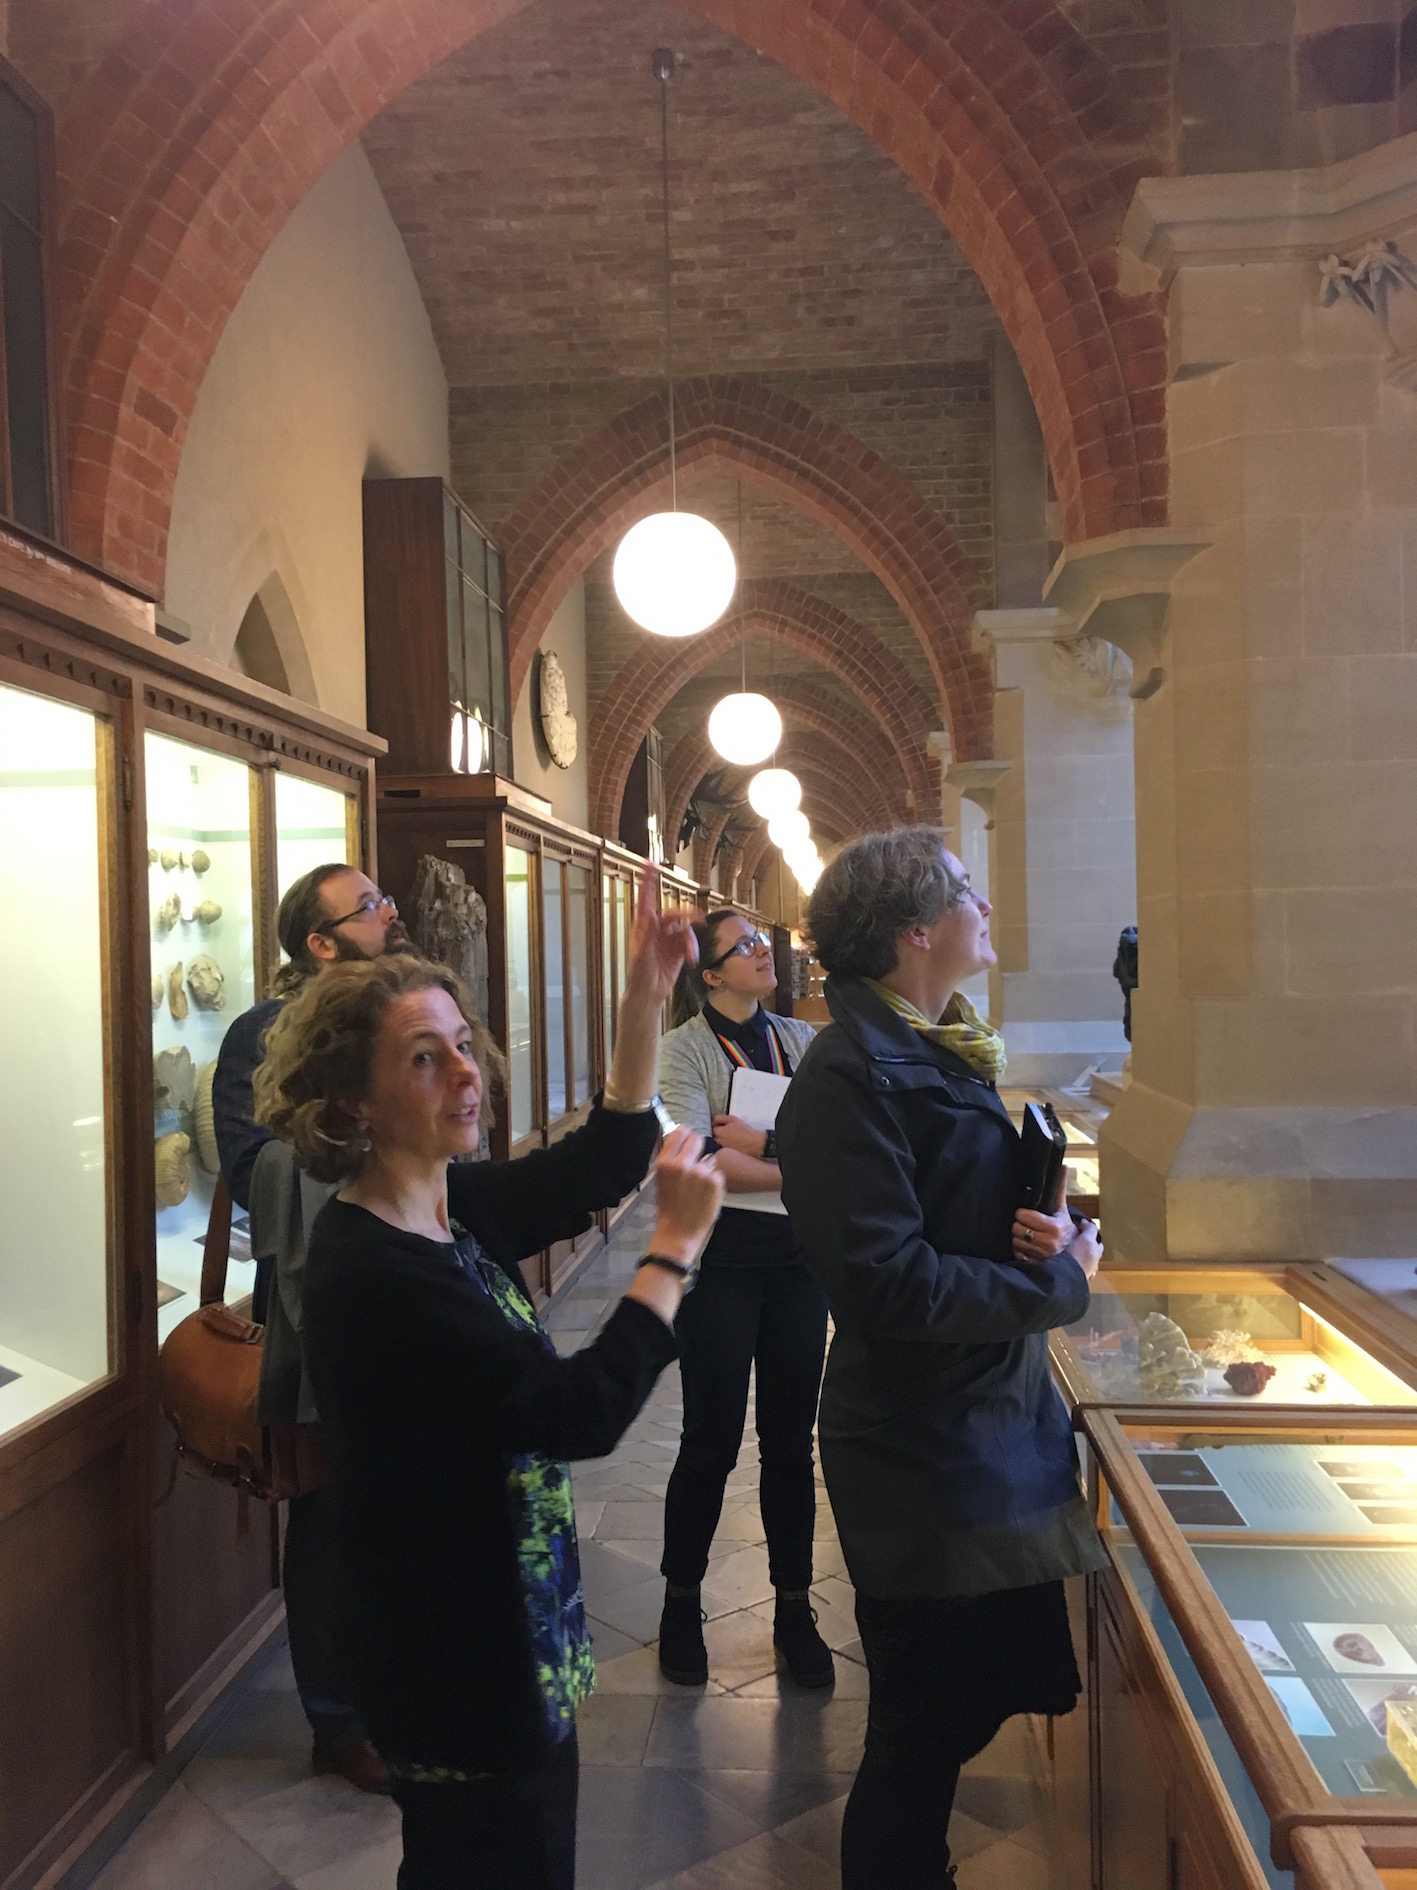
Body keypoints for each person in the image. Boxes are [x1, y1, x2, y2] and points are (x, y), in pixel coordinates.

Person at [254, 882, 725, 1890]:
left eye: (463, 1044)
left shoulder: (444, 1202)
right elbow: (578, 1412)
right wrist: (673, 1249)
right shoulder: (375, 1267)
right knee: (489, 1862)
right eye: (425, 1057)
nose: (466, 1074)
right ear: (351, 1098)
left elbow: (600, 1160)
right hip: (450, 1654)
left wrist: (646, 998)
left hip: (501, 1626)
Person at [775, 828, 1105, 1890]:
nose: (987, 907)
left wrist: (1036, 1227)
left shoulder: (931, 1044)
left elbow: (944, 1221)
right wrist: (1054, 1284)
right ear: (916, 933)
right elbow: (887, 1283)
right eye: (968, 890)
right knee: (918, 1733)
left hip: (975, 1434)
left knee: (948, 1716)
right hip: (926, 1450)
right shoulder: (849, 1072)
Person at [211, 863, 415, 1795]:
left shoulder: (405, 1008)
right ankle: (339, 1721)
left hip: (413, 1290)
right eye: (369, 907)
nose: (391, 912)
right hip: (320, 1302)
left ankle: (401, 1690)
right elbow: (250, 1164)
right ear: (320, 944)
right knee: (330, 1515)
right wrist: (361, 1154)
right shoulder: (262, 1035)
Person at [655, 913, 832, 1688]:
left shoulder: (803, 1041)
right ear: (711, 973)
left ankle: (795, 1608)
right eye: (746, 947)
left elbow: (842, 1144)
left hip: (798, 1265)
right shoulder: (684, 1048)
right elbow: (697, 1157)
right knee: (710, 1440)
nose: (765, 953)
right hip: (721, 1266)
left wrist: (764, 1147)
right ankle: (680, 1600)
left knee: (791, 1446)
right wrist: (801, 1159)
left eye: (764, 942)